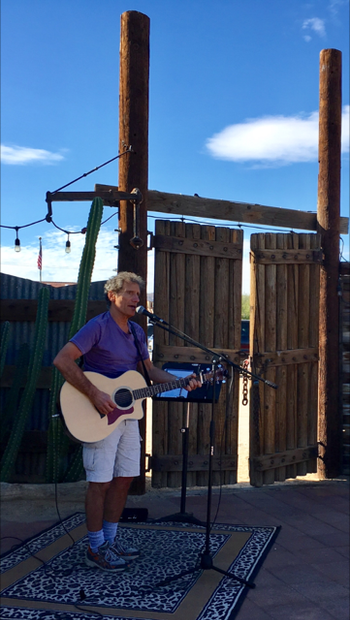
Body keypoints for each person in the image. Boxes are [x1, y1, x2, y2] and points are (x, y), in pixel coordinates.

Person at [53, 271, 201, 572]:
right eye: (130, 293)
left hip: (128, 416)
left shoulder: (135, 332)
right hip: (98, 416)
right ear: (113, 296)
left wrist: (180, 381)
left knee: (124, 479)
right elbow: (63, 360)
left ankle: (110, 539)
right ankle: (95, 548)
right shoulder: (97, 327)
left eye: (138, 294)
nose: (137, 299)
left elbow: (147, 374)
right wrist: (94, 394)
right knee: (100, 483)